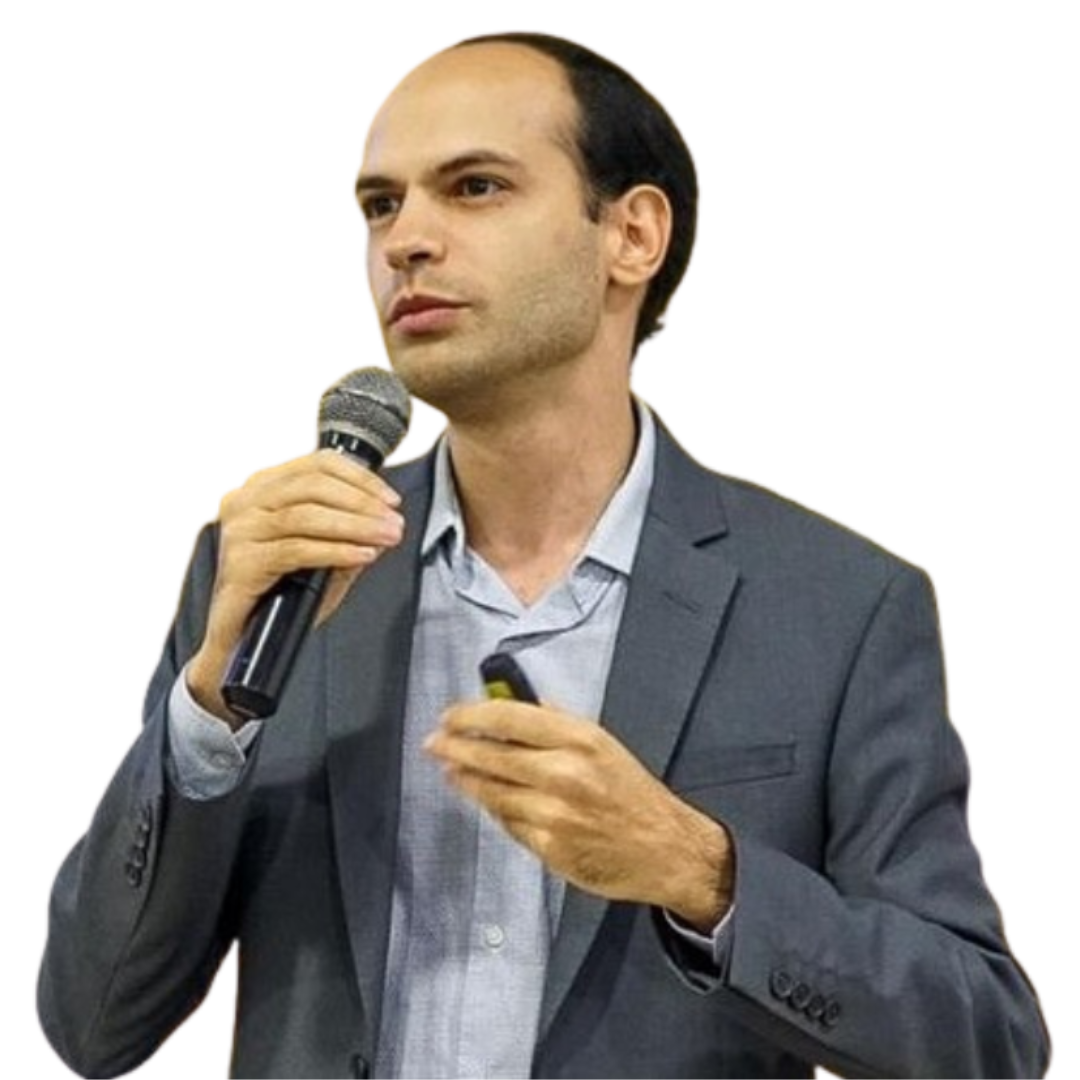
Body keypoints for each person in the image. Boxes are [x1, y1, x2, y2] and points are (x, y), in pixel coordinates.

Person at [36, 30, 1050, 1080]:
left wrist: (704, 874)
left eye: (474, 187)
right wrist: (208, 714)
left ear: (632, 234)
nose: (405, 241)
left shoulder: (837, 607)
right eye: (379, 206)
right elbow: (91, 1023)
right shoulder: (274, 573)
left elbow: (985, 1040)